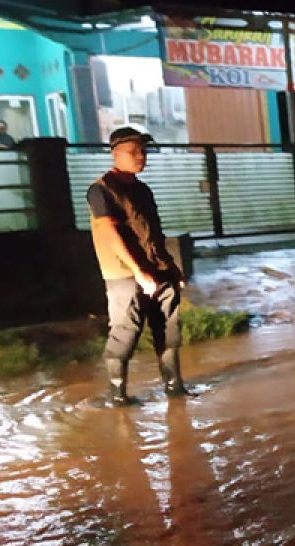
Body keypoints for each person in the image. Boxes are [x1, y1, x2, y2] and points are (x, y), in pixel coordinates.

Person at [87, 126, 189, 405]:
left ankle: (174, 386)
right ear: (115, 154)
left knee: (168, 330)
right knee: (125, 332)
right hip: (124, 274)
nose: (141, 156)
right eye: (133, 152)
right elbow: (109, 233)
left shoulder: (142, 190)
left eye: (143, 151)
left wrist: (171, 267)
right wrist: (137, 270)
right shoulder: (101, 190)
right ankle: (117, 395)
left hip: (157, 269)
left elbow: (153, 232)